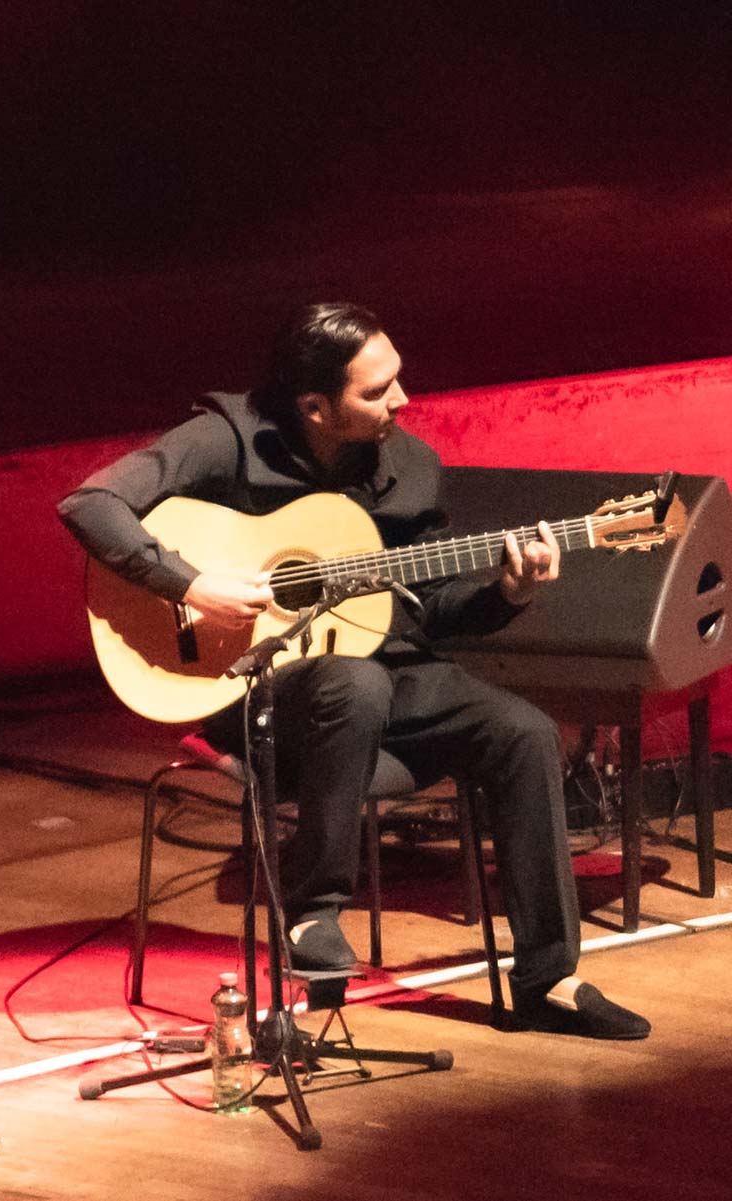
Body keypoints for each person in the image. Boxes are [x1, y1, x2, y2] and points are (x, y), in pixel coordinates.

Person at [58, 302, 649, 1040]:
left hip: (391, 674)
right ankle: (313, 914)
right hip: (256, 688)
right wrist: (192, 584)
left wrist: (509, 592)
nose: (402, 399)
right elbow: (90, 503)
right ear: (315, 406)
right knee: (352, 683)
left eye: (396, 379)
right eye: (376, 391)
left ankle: (548, 980)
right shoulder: (228, 438)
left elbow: (432, 610)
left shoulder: (411, 467)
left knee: (523, 732)